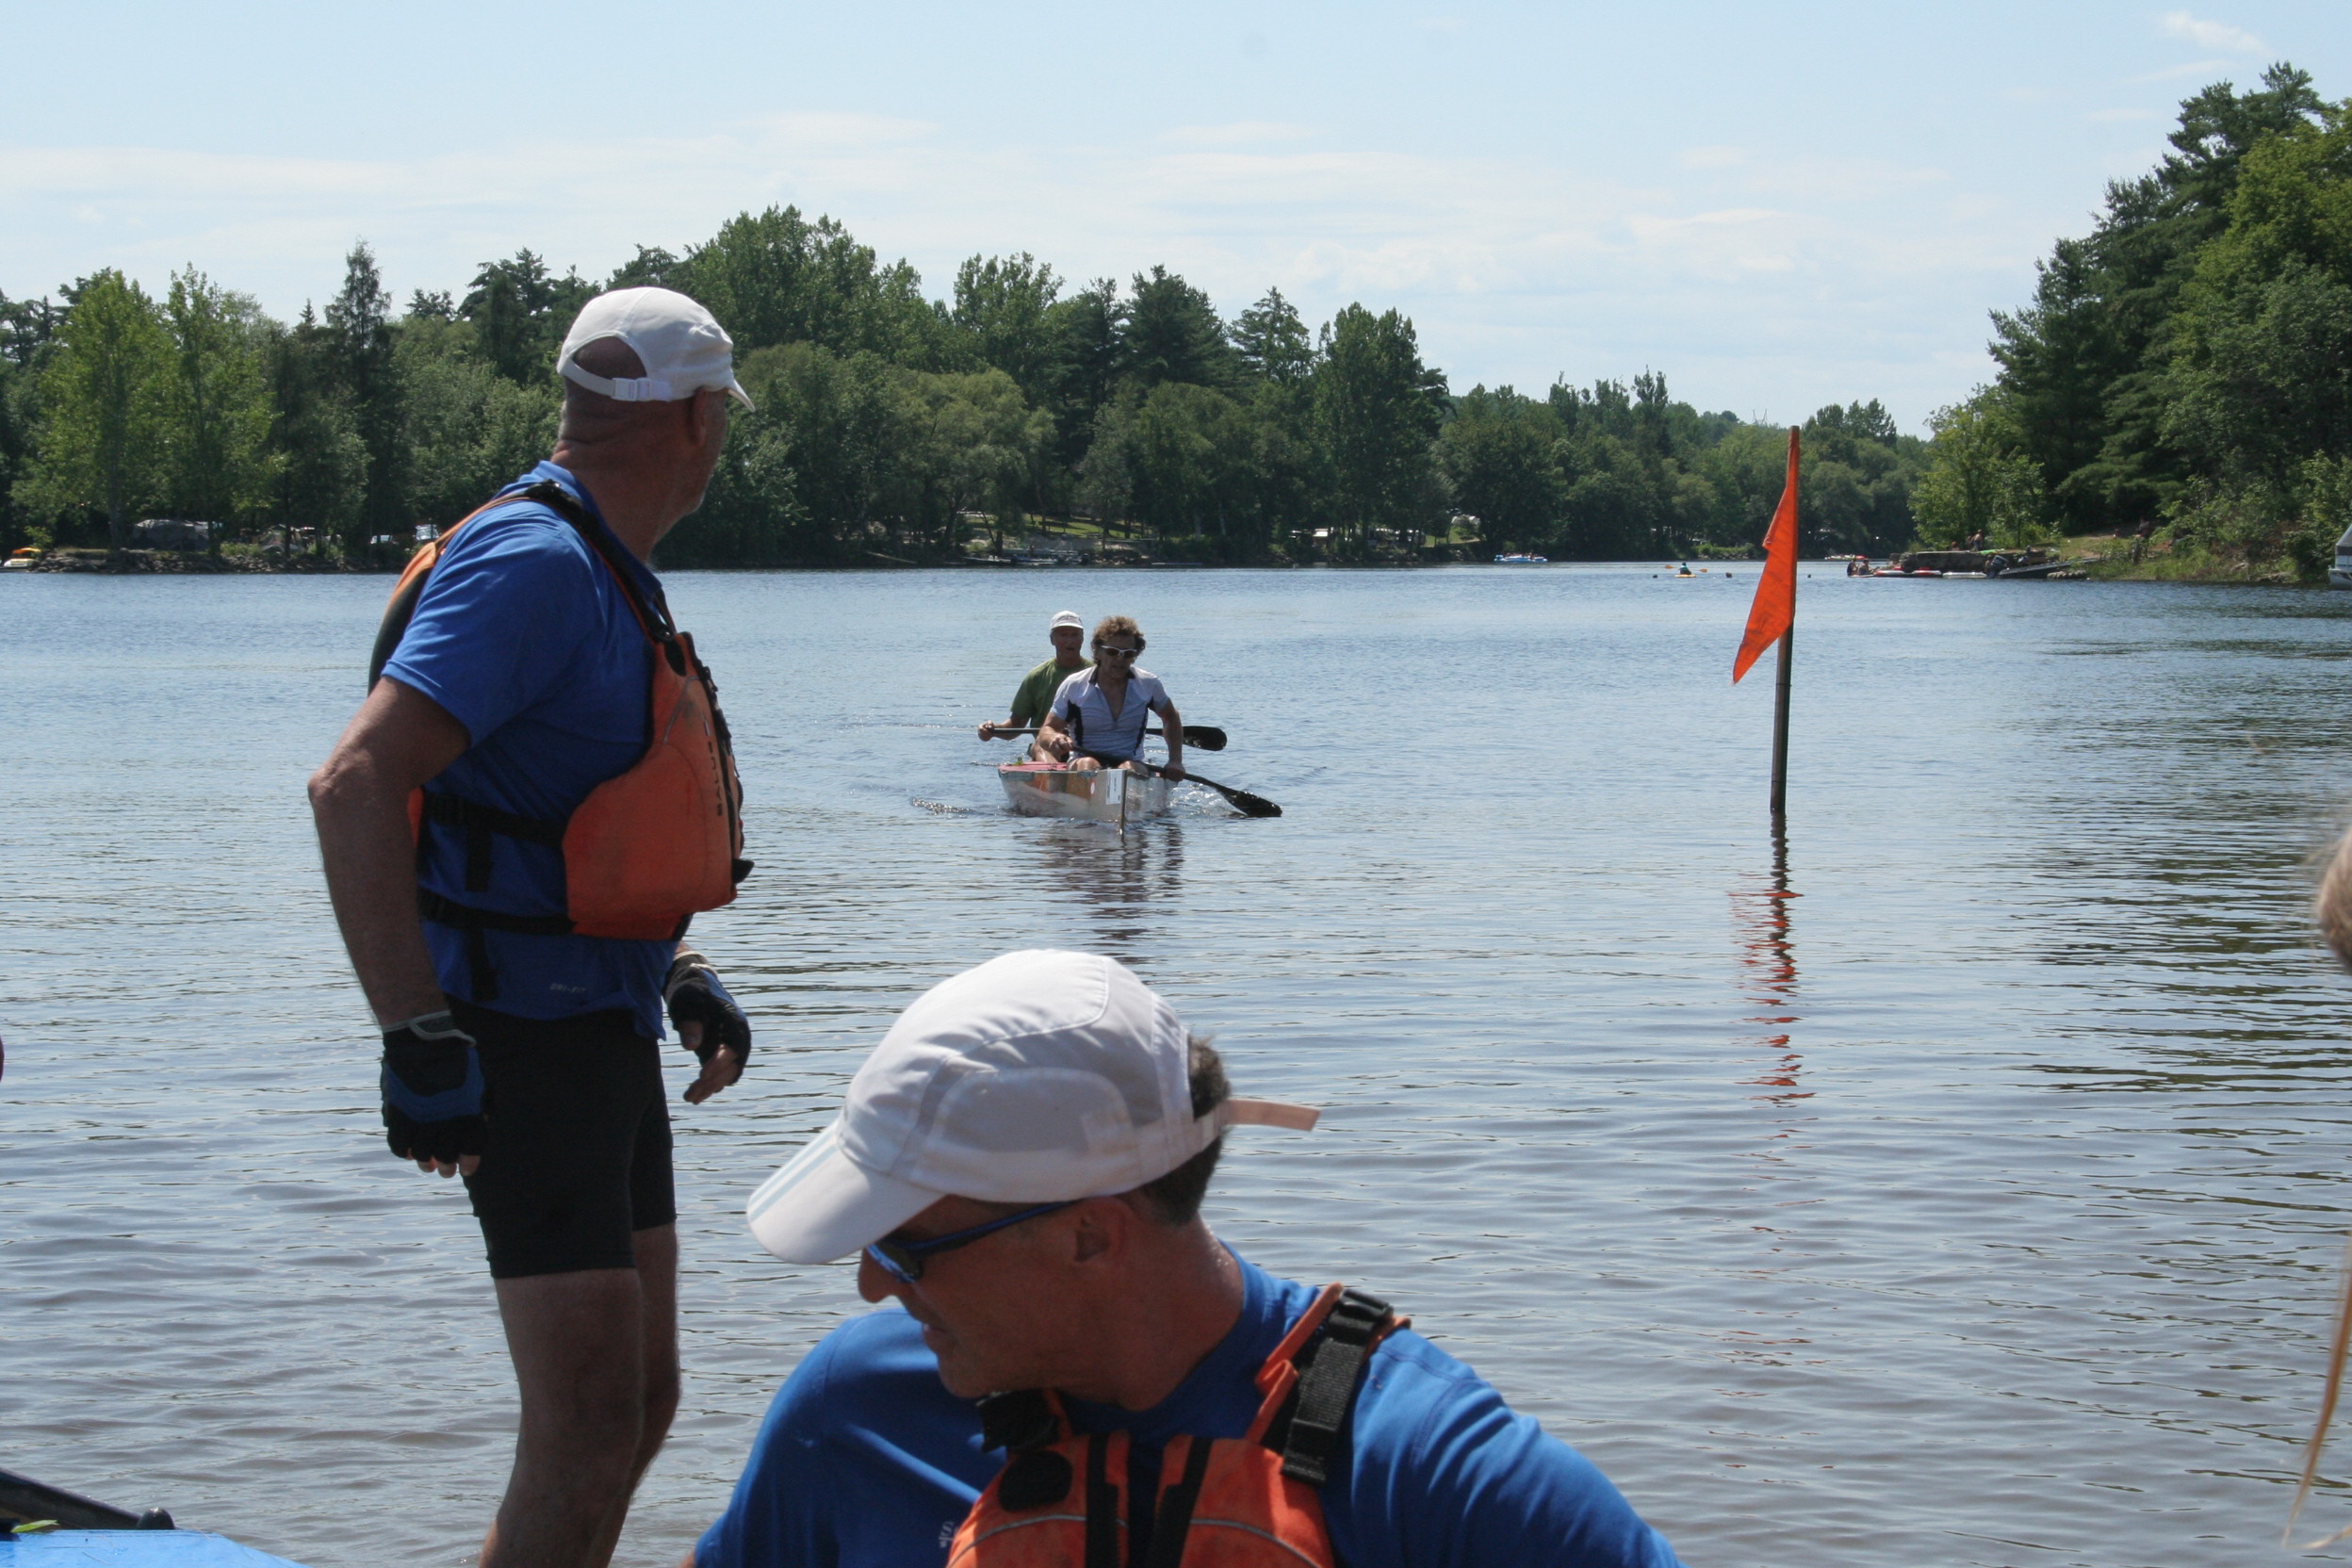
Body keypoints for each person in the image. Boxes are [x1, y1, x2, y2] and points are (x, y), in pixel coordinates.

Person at [689, 950, 1685, 1568]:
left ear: (1089, 1234)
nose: (872, 1284)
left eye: (906, 1247)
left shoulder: (1424, 1470)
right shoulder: (851, 1413)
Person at [309, 286, 760, 1568]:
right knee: (587, 1418)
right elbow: (353, 783)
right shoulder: (535, 564)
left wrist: (677, 963)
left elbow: (562, 815)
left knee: (640, 1400)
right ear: (693, 418)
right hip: (518, 1036)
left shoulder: (601, 563)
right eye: (721, 413)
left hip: (598, 1022)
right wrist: (416, 1036)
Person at [1035, 615, 1185, 782]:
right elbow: (1047, 729)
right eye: (1113, 652)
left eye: (1127, 654)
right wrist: (1054, 738)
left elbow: (1171, 717)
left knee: (1128, 769)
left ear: (1135, 656)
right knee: (1088, 763)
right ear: (1097, 651)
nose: (1120, 659)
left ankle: (1124, 795)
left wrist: (1175, 761)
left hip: (1131, 762)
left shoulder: (1148, 684)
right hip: (1083, 761)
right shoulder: (1075, 685)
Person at [977, 610, 1090, 760]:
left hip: (1087, 747)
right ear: (1052, 639)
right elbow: (1016, 724)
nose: (1070, 641)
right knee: (1039, 745)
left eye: (1074, 635)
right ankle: (1050, 771)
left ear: (1082, 638)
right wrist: (993, 730)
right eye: (1063, 635)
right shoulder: (1037, 676)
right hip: (1047, 746)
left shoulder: (1098, 674)